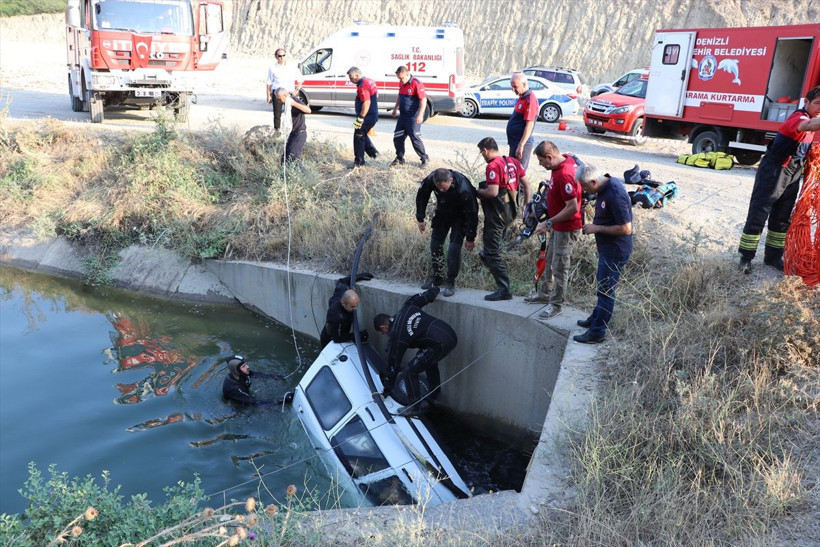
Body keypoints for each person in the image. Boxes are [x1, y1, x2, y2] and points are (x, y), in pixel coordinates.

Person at [738, 86, 820, 273]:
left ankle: (773, 257)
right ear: (805, 102)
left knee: (783, 216)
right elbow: (807, 126)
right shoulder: (798, 118)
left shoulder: (813, 121)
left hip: (793, 172)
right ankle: (746, 258)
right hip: (774, 170)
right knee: (760, 212)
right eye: (818, 103)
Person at [574, 163, 633, 344]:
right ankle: (596, 318)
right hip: (607, 249)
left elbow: (626, 228)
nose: (584, 190)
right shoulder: (604, 186)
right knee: (602, 288)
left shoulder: (615, 194)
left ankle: (597, 332)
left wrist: (596, 228)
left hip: (615, 251)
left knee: (606, 292)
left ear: (594, 181)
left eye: (585, 186)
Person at [524, 141, 583, 319]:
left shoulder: (564, 174)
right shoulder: (562, 162)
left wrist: (548, 223)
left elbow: (573, 207)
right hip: (558, 225)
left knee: (560, 267)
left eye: (542, 161)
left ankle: (556, 304)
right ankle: (544, 293)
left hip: (567, 228)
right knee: (549, 260)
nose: (541, 164)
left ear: (550, 157)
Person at [373, 286, 456, 409]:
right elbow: (426, 296)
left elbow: (393, 366)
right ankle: (435, 397)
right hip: (451, 334)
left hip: (439, 344)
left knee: (409, 371)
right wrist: (436, 288)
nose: (386, 335)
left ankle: (415, 407)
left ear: (383, 328)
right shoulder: (408, 306)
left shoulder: (397, 336)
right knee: (429, 363)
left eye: (383, 333)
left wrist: (387, 389)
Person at [476, 137, 532, 301]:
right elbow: (527, 185)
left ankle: (504, 288)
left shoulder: (493, 166)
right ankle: (490, 265)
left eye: (482, 152)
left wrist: (478, 192)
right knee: (493, 246)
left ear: (485, 150)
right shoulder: (512, 161)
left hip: (497, 214)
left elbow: (492, 192)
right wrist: (526, 206)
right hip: (510, 212)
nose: (482, 155)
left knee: (492, 251)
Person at [416, 167, 479, 296]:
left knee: (453, 249)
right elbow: (422, 195)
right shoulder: (431, 180)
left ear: (450, 180)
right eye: (438, 188)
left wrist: (470, 237)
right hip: (443, 212)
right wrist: (420, 218)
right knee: (435, 244)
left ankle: (450, 282)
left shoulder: (464, 188)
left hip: (460, 217)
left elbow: (472, 213)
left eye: (443, 188)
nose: (440, 190)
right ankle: (437, 278)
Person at [320, 273, 373, 348]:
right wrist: (358, 335)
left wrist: (358, 276)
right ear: (343, 303)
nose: (355, 309)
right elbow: (337, 339)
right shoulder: (338, 316)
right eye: (352, 306)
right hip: (330, 340)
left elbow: (341, 281)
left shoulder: (341, 292)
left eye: (356, 305)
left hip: (341, 331)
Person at [391, 66, 429, 167]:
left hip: (413, 117)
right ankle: (399, 158)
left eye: (401, 78)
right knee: (397, 137)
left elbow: (423, 100)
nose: (400, 80)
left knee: (414, 138)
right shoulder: (401, 83)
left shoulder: (416, 83)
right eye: (399, 78)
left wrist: (420, 115)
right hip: (403, 116)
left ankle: (424, 158)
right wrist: (395, 108)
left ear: (407, 74)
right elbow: (399, 96)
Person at [347, 66, 380, 167]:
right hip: (373, 114)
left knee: (358, 136)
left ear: (357, 75)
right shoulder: (369, 81)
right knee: (362, 134)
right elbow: (376, 95)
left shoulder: (362, 85)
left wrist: (361, 118)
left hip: (367, 116)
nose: (350, 80)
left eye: (351, 78)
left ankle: (359, 162)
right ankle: (373, 153)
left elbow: (366, 102)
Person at [266, 48, 303, 135]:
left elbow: (300, 80)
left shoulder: (292, 67)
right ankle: (277, 132)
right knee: (277, 114)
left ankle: (292, 131)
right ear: (276, 57)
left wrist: (296, 90)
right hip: (277, 93)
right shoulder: (272, 67)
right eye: (279, 56)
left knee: (290, 113)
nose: (282, 58)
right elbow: (269, 82)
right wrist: (268, 96)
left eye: (283, 55)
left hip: (288, 93)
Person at [507, 72, 538, 171]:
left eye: (515, 87)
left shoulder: (530, 100)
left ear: (524, 84)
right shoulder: (522, 97)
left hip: (521, 143)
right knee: (511, 172)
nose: (513, 90)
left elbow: (529, 126)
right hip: (515, 142)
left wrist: (521, 145)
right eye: (512, 87)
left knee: (519, 173)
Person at [274, 87, 311, 161]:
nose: (279, 101)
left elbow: (308, 110)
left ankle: (301, 172)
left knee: (292, 159)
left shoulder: (293, 100)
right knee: (284, 159)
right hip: (292, 134)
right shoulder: (286, 102)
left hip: (299, 134)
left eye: (279, 99)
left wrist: (294, 104)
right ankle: (285, 172)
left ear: (285, 95)